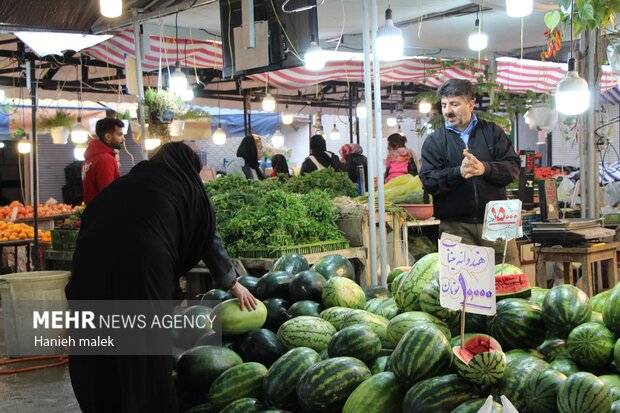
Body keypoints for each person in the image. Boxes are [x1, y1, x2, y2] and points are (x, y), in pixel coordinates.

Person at [65, 142, 257, 413]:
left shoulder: (121, 186)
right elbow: (208, 235)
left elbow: (89, 228)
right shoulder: (187, 188)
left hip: (90, 267)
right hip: (142, 270)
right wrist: (232, 282)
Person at [420, 78, 521, 266]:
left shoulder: (493, 133)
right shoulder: (435, 142)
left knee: (506, 278)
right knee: (461, 287)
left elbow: (513, 168)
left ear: (470, 104)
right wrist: (458, 172)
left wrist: (485, 168)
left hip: (496, 222)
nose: (448, 111)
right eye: (444, 105)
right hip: (455, 226)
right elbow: (429, 181)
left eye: (454, 104)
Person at [82, 117, 125, 204]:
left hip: (93, 211)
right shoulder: (105, 159)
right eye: (120, 134)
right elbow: (109, 195)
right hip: (103, 214)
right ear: (108, 136)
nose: (123, 138)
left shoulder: (91, 158)